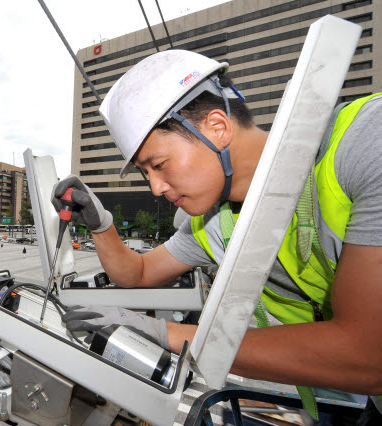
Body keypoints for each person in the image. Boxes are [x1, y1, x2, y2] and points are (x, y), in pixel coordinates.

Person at [53, 50, 382, 420]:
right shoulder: (217, 222)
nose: (156, 188)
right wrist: (101, 225)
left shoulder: (366, 142)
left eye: (158, 165)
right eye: (147, 174)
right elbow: (138, 274)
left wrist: (166, 335)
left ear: (217, 128)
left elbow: (370, 353)